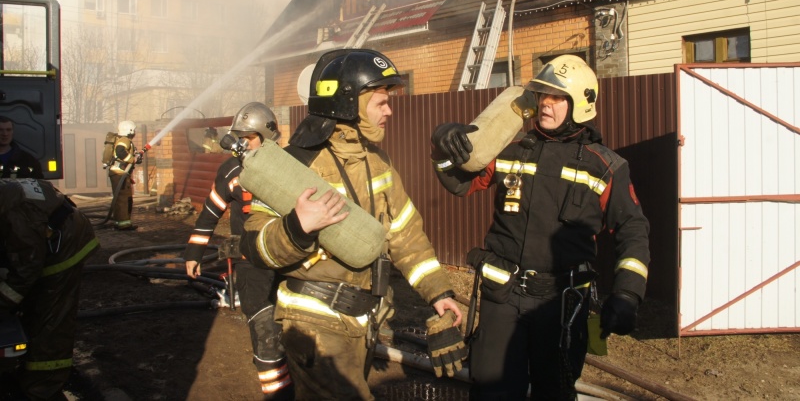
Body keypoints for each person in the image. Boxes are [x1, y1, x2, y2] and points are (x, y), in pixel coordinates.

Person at [241, 49, 466, 400]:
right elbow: (255, 244)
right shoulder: (294, 166)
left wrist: (439, 293)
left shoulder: (377, 161)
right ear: (350, 104)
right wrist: (297, 227)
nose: (389, 110)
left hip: (363, 321)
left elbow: (405, 233)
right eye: (381, 102)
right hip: (314, 322)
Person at [431, 54, 651, 400]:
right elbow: (460, 183)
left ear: (581, 103)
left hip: (560, 306)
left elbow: (632, 230)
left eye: (557, 97)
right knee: (492, 391)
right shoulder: (510, 151)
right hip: (502, 298)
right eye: (542, 95)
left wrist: (627, 293)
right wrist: (442, 145)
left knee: (554, 393)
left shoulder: (606, 167)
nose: (545, 104)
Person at [184, 102, 293, 399]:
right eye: (238, 137)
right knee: (264, 329)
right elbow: (210, 212)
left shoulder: (290, 167)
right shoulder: (232, 169)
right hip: (250, 263)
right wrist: (193, 255)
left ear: (268, 137)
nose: (240, 144)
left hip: (287, 263)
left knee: (295, 330)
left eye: (249, 138)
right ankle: (277, 394)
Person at [0, 178, 99, 400]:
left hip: (65, 247)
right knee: (33, 305)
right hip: (49, 237)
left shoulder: (15, 213)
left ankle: (42, 387)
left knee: (51, 321)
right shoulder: (6, 192)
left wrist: (3, 304)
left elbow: (26, 270)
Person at [107, 120, 141, 231]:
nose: (135, 132)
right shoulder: (125, 140)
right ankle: (124, 224)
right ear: (130, 130)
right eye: (134, 130)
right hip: (119, 173)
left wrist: (136, 158)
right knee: (124, 199)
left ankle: (119, 222)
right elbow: (120, 151)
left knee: (119, 198)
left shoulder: (123, 140)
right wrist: (132, 159)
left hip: (119, 173)